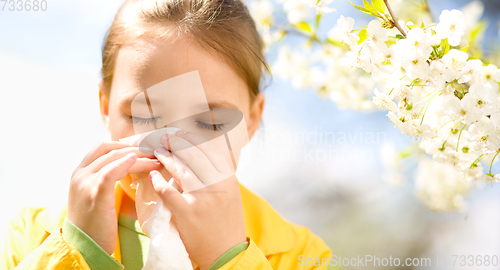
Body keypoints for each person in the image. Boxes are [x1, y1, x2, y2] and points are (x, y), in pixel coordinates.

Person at [1, 0, 332, 269]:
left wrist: (229, 258)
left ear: (251, 119)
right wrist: (79, 252)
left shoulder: (301, 255)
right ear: (105, 106)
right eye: (143, 115)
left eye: (211, 122)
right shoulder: (34, 236)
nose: (171, 143)